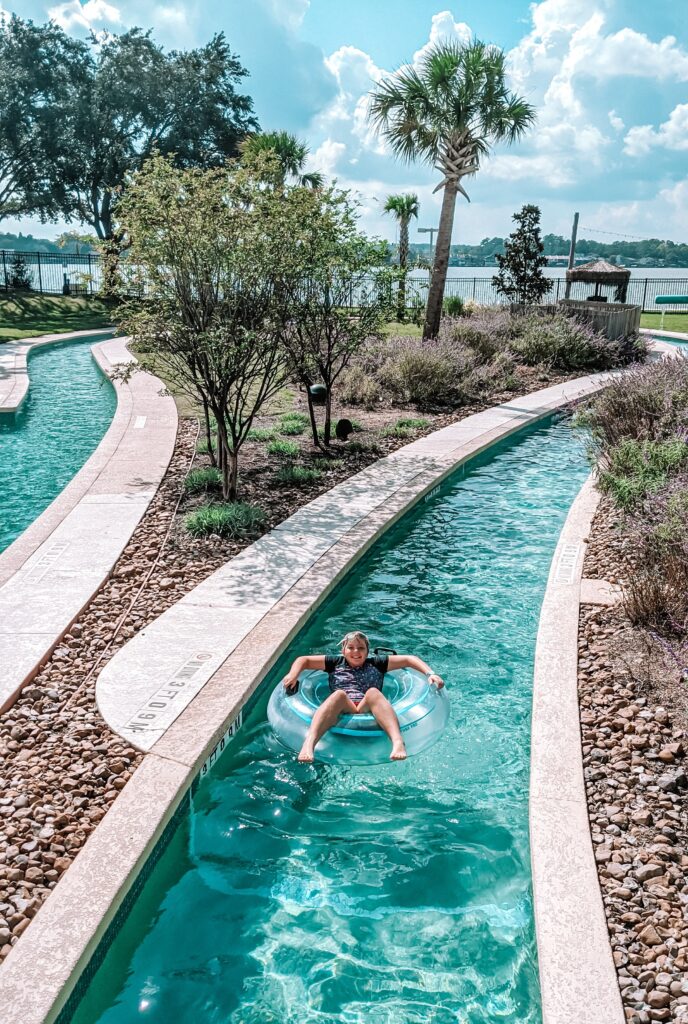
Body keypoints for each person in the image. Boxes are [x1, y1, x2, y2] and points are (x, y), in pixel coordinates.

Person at [282, 630, 444, 763]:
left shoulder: (377, 663)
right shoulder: (334, 663)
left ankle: (397, 742)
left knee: (373, 692)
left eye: (361, 648)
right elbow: (304, 660)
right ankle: (309, 743)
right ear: (343, 650)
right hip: (345, 706)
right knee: (339, 694)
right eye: (351, 647)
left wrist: (430, 674)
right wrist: (293, 674)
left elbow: (409, 659)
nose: (355, 652)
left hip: (367, 706)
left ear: (367, 651)